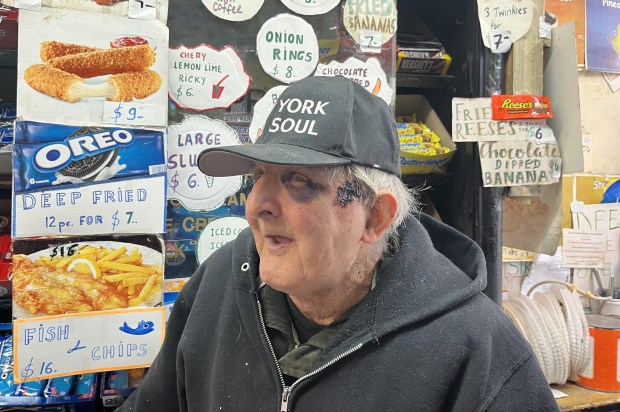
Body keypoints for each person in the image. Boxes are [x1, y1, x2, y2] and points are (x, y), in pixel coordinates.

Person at [118, 76, 558, 411]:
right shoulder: (215, 284)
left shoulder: (478, 351)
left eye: (297, 182)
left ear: (375, 216)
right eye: (257, 177)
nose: (257, 206)